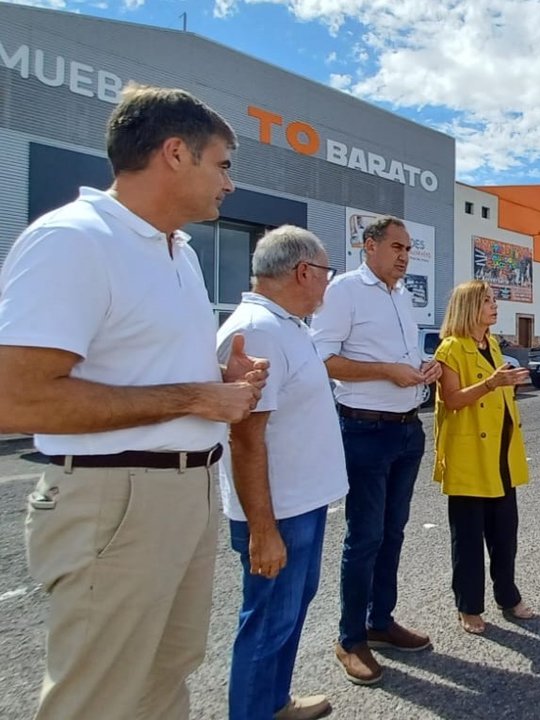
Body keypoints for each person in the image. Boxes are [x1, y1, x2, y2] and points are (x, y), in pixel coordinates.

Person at [0, 84, 267, 720]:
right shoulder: (74, 238)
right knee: (99, 699)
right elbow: (16, 399)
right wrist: (196, 394)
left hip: (186, 489)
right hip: (114, 496)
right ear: (175, 153)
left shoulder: (178, 251)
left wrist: (216, 375)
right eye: (223, 164)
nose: (229, 184)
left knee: (165, 677)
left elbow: (140, 365)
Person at [217, 227, 346, 720]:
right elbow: (246, 438)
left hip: (302, 503)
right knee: (268, 621)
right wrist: (263, 529)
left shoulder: (289, 324)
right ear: (303, 272)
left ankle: (275, 704)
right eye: (325, 274)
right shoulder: (261, 329)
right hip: (278, 510)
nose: (326, 286)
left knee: (288, 614)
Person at [310, 216, 441, 686]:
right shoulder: (344, 291)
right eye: (397, 247)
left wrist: (423, 368)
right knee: (364, 538)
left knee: (393, 533)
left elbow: (400, 360)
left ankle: (380, 621)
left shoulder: (402, 295)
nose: (405, 256)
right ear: (370, 246)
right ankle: (350, 638)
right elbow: (322, 358)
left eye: (409, 249)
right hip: (364, 430)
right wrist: (388, 370)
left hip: (407, 430)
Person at [433, 280, 533, 634]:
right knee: (469, 538)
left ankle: (508, 595)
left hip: (501, 457)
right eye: (487, 301)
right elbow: (453, 399)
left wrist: (508, 383)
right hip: (469, 458)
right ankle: (469, 606)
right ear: (468, 308)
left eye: (493, 300)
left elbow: (496, 389)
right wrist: (491, 384)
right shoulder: (450, 349)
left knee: (505, 535)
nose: (495, 306)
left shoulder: (490, 343)